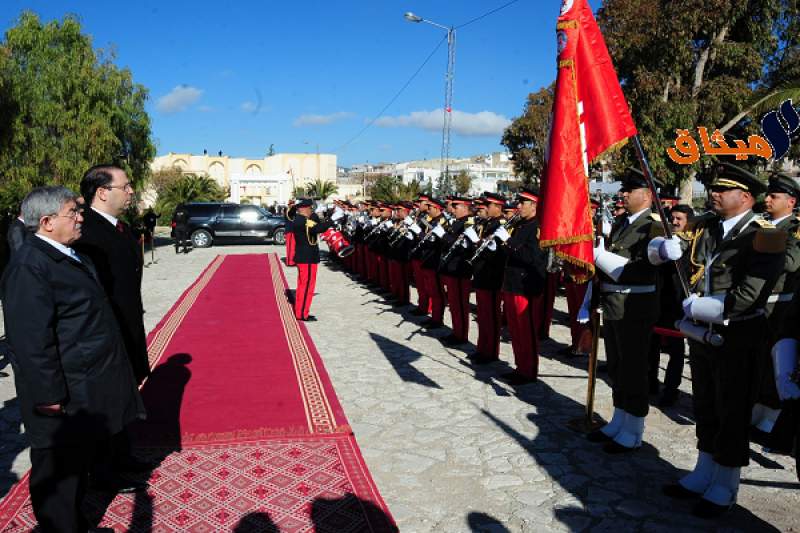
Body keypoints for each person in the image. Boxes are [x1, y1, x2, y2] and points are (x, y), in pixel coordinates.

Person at [1, 186, 144, 533]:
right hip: (61, 392)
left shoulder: (68, 253)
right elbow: (31, 342)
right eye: (73, 213)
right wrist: (49, 396)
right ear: (48, 222)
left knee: (77, 466)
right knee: (58, 473)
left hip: (84, 383)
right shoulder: (30, 266)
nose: (81, 217)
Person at [661, 162, 784, 518]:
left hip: (738, 333)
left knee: (732, 409)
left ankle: (725, 483)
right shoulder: (707, 228)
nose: (713, 194)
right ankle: (703, 471)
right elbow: (695, 269)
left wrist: (705, 306)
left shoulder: (765, 233)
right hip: (702, 332)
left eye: (722, 190)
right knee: (706, 405)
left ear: (745, 197)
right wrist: (672, 254)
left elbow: (753, 292)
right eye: (713, 189)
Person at [74, 165, 154, 486]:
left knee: (122, 399)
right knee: (106, 402)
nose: (131, 191)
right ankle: (104, 472)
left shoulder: (119, 227)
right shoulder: (87, 232)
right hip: (106, 332)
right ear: (103, 191)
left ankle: (122, 455)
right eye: (126, 186)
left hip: (127, 324)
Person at [588, 168, 667, 454]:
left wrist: (603, 257)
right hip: (613, 303)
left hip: (635, 306)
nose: (623, 194)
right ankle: (619, 417)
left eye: (629, 190)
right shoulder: (623, 222)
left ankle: (634, 429)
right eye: (624, 189)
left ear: (646, 195)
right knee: (618, 366)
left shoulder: (654, 225)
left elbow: (642, 268)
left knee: (634, 369)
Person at [751, 173, 800, 438]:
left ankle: (771, 417)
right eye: (768, 195)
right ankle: (758, 412)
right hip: (759, 303)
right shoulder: (763, 225)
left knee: (774, 365)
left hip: (781, 305)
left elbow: (792, 262)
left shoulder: (794, 229)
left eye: (774, 196)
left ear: (790, 201)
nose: (767, 199)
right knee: (758, 362)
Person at [499, 187, 547, 385]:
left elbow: (531, 257)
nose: (518, 206)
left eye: (522, 203)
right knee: (516, 331)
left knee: (526, 331)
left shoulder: (537, 227)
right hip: (513, 283)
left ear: (534, 205)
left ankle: (529, 370)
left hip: (526, 285)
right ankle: (520, 367)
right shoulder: (521, 224)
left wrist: (508, 241)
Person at [648, 203, 694, 407]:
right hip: (658, 299)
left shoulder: (692, 243)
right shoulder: (662, 240)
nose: (674, 222)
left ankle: (671, 389)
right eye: (672, 218)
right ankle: (650, 382)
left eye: (679, 219)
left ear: (688, 222)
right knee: (652, 345)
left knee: (676, 351)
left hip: (678, 302)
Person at [470, 192, 509, 363]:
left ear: (498, 207)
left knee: (492, 317)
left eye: (488, 206)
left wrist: (484, 247)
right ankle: (482, 348)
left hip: (492, 276)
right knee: (483, 315)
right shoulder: (488, 223)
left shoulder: (501, 225)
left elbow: (502, 254)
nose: (484, 208)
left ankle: (491, 352)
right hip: (481, 275)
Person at [292, 198, 343, 321]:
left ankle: (301, 310)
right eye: (310, 208)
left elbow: (315, 224)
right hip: (307, 258)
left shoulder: (301, 219)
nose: (311, 211)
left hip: (305, 257)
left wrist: (324, 216)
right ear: (304, 208)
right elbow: (317, 228)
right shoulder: (302, 221)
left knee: (303, 285)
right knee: (307, 286)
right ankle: (302, 314)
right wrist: (332, 219)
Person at [438, 196, 476, 345]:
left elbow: (461, 244)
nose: (453, 210)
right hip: (452, 268)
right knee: (454, 304)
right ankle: (456, 331)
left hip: (461, 269)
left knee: (461, 304)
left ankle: (461, 335)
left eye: (456, 206)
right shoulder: (457, 222)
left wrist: (444, 236)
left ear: (465, 207)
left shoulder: (468, 223)